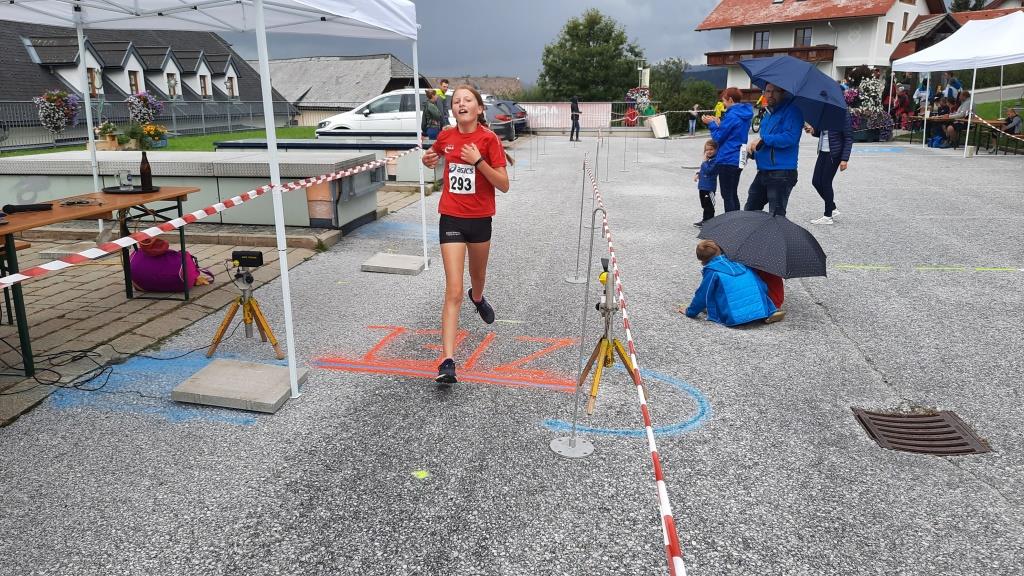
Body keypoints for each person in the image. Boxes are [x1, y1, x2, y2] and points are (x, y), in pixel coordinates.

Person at [420, 85, 509, 385]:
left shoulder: (489, 139)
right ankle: (447, 361)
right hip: (452, 217)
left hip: (480, 220)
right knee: (453, 290)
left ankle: (478, 297)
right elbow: (432, 155)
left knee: (477, 276)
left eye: (467, 100)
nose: (461, 104)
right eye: (456, 100)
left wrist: (478, 162)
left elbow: (504, 184)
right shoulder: (446, 136)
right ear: (453, 109)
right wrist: (428, 160)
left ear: (479, 108)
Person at [680, 240, 779, 326]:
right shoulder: (740, 262)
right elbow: (762, 286)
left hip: (735, 318)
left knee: (715, 293)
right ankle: (767, 312)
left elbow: (702, 295)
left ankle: (742, 313)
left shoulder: (712, 271)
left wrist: (690, 312)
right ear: (719, 250)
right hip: (761, 310)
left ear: (701, 260)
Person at [744, 83, 804, 217]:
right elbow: (765, 141)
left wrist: (763, 140)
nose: (770, 94)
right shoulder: (769, 113)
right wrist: (753, 151)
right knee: (749, 212)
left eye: (775, 91)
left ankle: (777, 232)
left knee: (776, 216)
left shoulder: (792, 111)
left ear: (783, 92)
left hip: (782, 172)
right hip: (764, 170)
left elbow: (790, 137)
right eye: (767, 91)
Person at [702, 87, 754, 212]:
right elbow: (733, 133)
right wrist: (719, 124)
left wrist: (711, 124)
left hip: (727, 158)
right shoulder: (744, 114)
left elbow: (718, 138)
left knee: (727, 195)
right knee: (732, 193)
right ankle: (737, 219)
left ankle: (731, 221)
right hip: (738, 157)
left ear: (730, 99)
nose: (723, 104)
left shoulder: (732, 115)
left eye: (724, 101)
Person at [807, 109, 853, 225]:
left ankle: (828, 216)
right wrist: (813, 130)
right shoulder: (824, 113)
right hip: (822, 151)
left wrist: (844, 159)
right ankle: (832, 207)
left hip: (834, 153)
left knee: (826, 182)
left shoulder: (843, 113)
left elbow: (848, 138)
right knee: (816, 181)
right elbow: (822, 133)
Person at [693, 140, 718, 227]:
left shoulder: (715, 161)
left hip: (709, 188)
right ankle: (705, 220)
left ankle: (710, 221)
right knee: (704, 204)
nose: (709, 151)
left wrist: (704, 162)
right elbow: (703, 169)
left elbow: (709, 171)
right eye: (707, 150)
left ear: (716, 150)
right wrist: (698, 174)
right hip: (702, 186)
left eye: (711, 149)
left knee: (709, 205)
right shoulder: (707, 160)